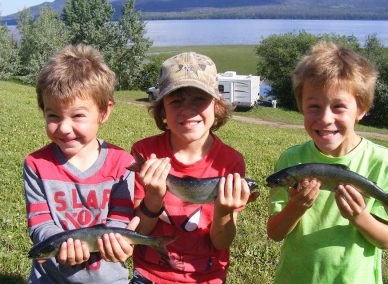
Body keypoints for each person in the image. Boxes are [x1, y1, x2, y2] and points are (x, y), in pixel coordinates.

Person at [267, 41, 388, 284]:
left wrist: (360, 217)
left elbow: (387, 241)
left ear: (361, 109)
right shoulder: (290, 160)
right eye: (314, 106)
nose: (325, 119)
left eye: (338, 107)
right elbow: (275, 233)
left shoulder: (383, 162)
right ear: (301, 107)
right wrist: (297, 207)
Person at [130, 52, 253, 283]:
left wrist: (224, 211)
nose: (187, 109)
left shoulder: (230, 162)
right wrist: (154, 200)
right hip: (149, 275)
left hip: (206, 277)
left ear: (216, 105)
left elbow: (222, 242)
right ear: (162, 109)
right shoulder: (145, 153)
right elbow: (138, 235)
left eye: (199, 99)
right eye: (176, 101)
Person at [24, 44, 138, 283]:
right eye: (53, 115)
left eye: (77, 115)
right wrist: (63, 243)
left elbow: (119, 219)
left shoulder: (123, 163)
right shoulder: (36, 164)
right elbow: (40, 224)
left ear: (104, 112)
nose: (64, 128)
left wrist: (116, 241)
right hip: (50, 278)